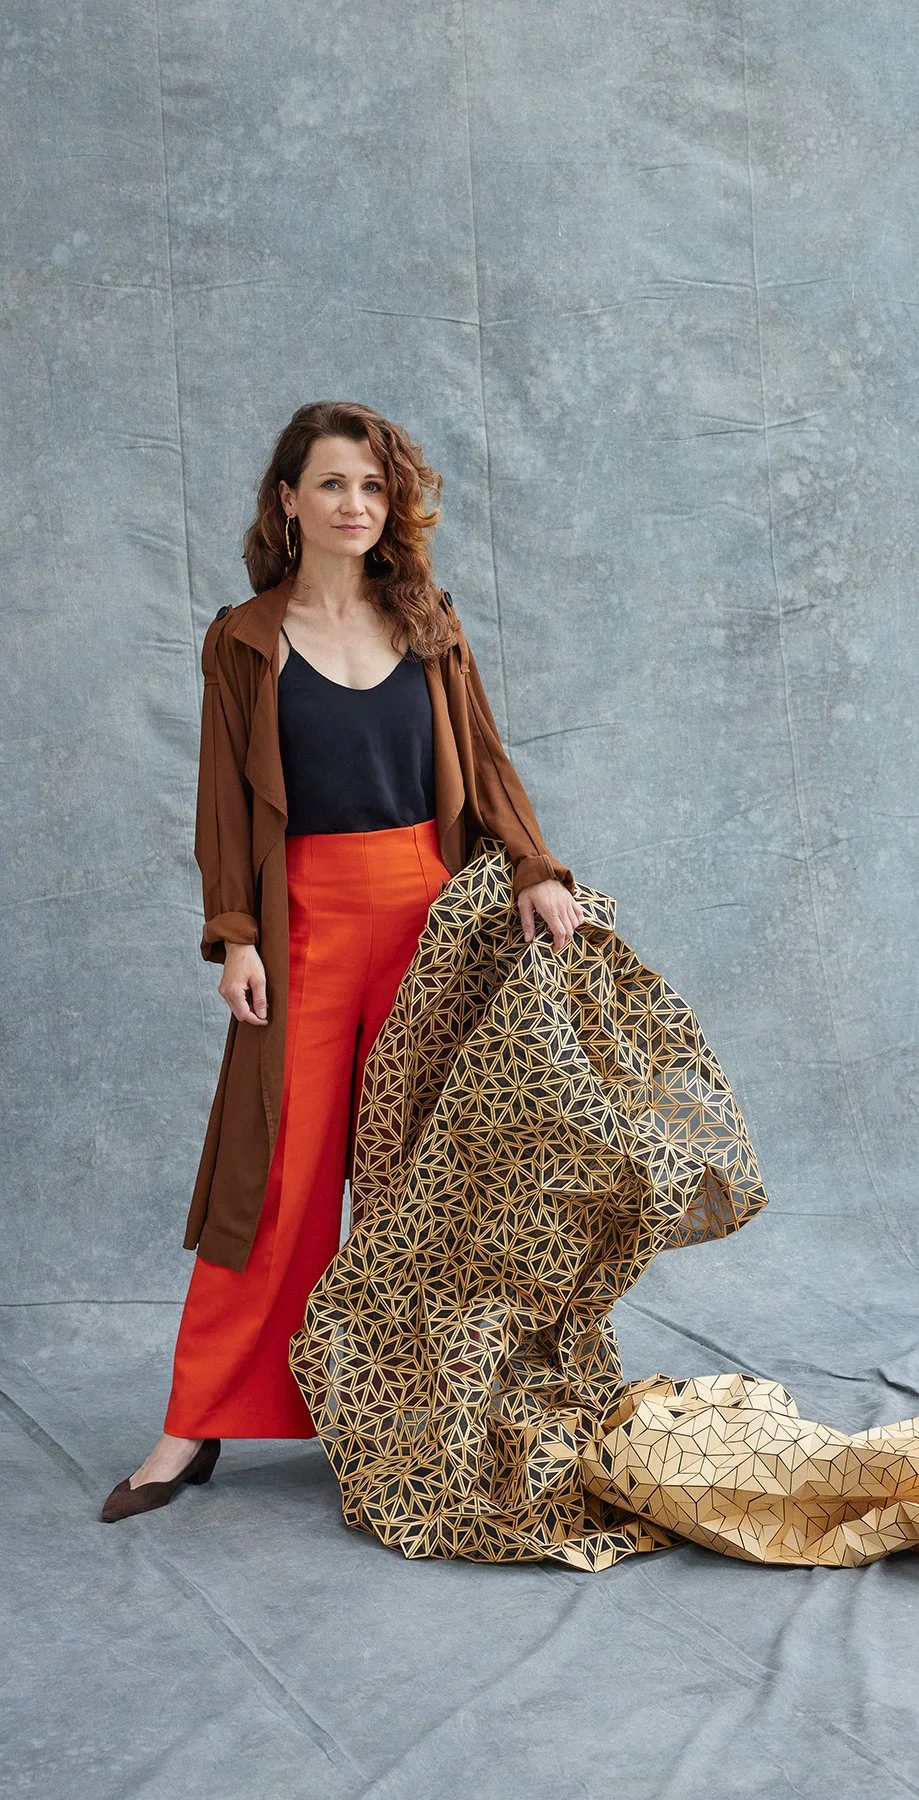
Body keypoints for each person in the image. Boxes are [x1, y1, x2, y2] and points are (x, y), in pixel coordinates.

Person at [101, 401, 584, 1522]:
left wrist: (533, 866)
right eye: (331, 484)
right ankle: (193, 1424)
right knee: (273, 1181)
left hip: (430, 921)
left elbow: (486, 761)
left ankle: (412, 1422)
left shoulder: (429, 622)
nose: (354, 505)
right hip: (303, 924)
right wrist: (236, 936)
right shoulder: (244, 640)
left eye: (373, 487)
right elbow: (224, 803)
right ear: (288, 500)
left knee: (422, 1185)